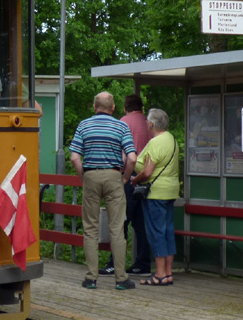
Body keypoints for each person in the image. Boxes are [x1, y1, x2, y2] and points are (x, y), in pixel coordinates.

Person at [69, 92, 138, 291]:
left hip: (91, 175)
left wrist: (84, 176)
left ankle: (91, 278)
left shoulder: (84, 125)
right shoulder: (121, 126)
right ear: (113, 107)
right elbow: (132, 158)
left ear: (94, 107)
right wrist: (124, 178)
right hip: (114, 176)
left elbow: (74, 157)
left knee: (90, 228)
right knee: (117, 228)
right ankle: (121, 279)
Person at [101, 94, 152, 277]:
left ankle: (115, 264)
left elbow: (123, 153)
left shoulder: (124, 122)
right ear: (141, 107)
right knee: (141, 224)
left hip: (129, 178)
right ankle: (143, 263)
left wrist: (122, 176)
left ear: (125, 107)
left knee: (120, 221)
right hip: (146, 179)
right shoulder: (148, 123)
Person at [130, 107, 180, 286]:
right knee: (167, 230)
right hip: (170, 191)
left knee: (156, 231)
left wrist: (135, 179)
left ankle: (159, 274)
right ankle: (168, 272)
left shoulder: (155, 143)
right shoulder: (171, 139)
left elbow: (148, 171)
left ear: (151, 124)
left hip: (155, 192)